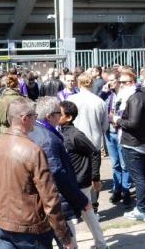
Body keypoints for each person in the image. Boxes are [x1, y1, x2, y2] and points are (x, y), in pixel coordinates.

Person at [0, 98, 76, 249]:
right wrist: (64, 236)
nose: (36, 119)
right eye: (34, 116)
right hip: (31, 230)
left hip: (3, 224)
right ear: (24, 118)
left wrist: (0, 209)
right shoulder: (33, 151)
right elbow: (50, 198)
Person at [29, 97, 97, 248]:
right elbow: (56, 173)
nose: (61, 116)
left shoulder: (37, 130)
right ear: (49, 116)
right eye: (58, 113)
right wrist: (81, 199)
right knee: (67, 242)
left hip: (43, 199)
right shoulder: (47, 138)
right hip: (54, 199)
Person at [111, 69, 145, 221]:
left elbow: (133, 123)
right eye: (120, 82)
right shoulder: (134, 96)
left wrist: (117, 120)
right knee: (144, 177)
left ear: (131, 83)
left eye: (123, 82)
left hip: (134, 143)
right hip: (140, 141)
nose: (121, 85)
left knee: (139, 178)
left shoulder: (135, 98)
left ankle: (141, 209)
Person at [59, 100, 108, 249]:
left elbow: (94, 152)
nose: (55, 115)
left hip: (79, 181)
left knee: (77, 214)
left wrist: (95, 177)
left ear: (68, 117)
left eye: (59, 113)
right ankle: (96, 244)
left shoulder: (76, 135)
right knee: (76, 215)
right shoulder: (61, 132)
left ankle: (99, 244)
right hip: (71, 181)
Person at [69, 72, 110, 213]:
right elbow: (105, 126)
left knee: (74, 175)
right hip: (94, 143)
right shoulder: (100, 102)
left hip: (74, 144)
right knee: (94, 176)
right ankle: (93, 206)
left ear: (78, 83)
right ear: (92, 84)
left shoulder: (71, 99)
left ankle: (77, 206)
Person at [103, 70, 132, 205]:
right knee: (115, 163)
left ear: (119, 81)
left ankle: (126, 191)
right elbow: (100, 104)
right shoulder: (109, 95)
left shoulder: (125, 95)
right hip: (110, 132)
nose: (109, 83)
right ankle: (117, 190)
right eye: (108, 80)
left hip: (121, 132)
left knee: (124, 164)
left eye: (112, 80)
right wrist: (103, 92)